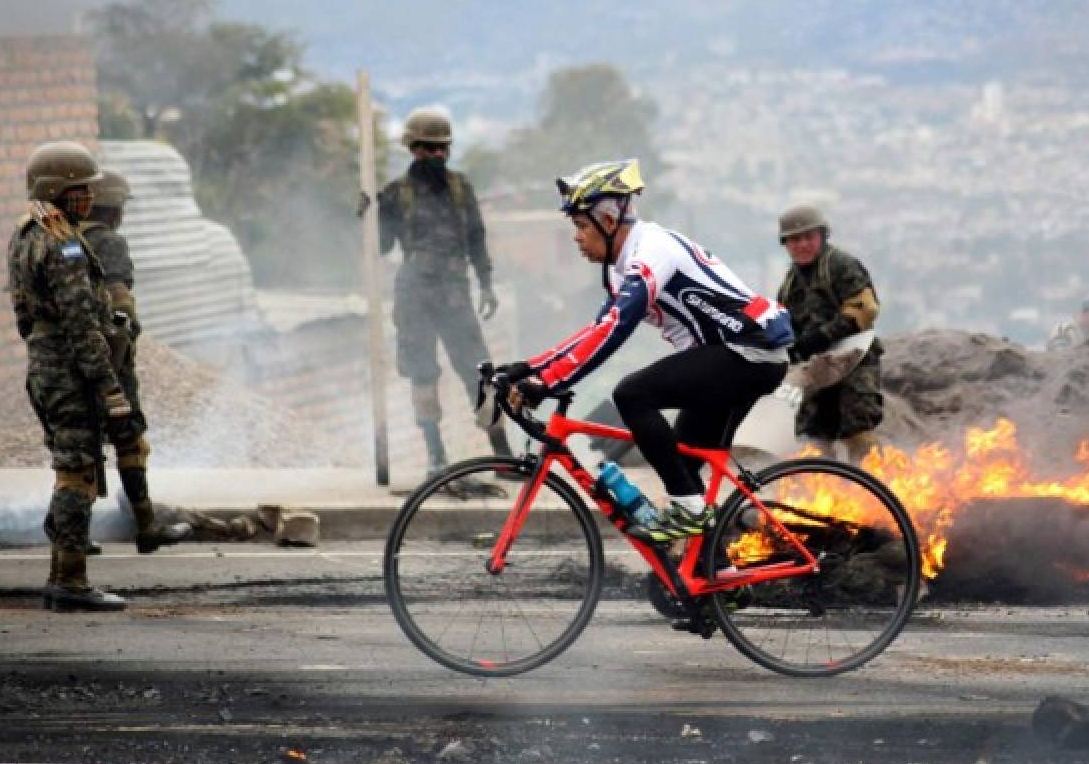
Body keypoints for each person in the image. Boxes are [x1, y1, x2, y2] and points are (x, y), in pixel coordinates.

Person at [503, 160, 793, 543]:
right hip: (728, 358)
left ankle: (690, 510)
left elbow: (616, 328)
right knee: (683, 464)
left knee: (633, 393)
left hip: (750, 353)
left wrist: (548, 382)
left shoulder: (652, 251)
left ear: (609, 222)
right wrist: (528, 368)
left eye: (581, 226)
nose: (576, 238)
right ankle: (715, 579)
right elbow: (597, 329)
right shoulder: (620, 268)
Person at [7, 141, 129, 611]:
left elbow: (24, 313)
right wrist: (107, 385)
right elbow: (82, 325)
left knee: (70, 468)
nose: (88, 200)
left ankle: (63, 574)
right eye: (79, 191)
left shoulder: (27, 233)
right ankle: (71, 583)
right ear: (55, 190)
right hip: (71, 371)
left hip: (45, 366)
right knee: (77, 473)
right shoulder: (65, 245)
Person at [375, 107, 512, 477]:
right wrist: (370, 215)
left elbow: (477, 237)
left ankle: (502, 455)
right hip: (414, 293)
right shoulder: (394, 194)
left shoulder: (460, 188)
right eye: (427, 148)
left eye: (441, 149)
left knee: (479, 373)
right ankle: (436, 457)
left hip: (455, 291)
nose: (436, 155)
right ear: (413, 149)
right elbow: (381, 246)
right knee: (422, 373)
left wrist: (486, 283)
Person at [79, 169, 192, 554]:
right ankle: (145, 524)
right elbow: (119, 304)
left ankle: (73, 533)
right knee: (129, 440)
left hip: (70, 360)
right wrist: (118, 360)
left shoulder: (61, 239)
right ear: (112, 209)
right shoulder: (108, 241)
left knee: (80, 446)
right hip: (109, 360)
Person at [775, 205, 883, 465]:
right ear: (786, 244)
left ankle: (877, 488)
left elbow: (865, 307)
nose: (802, 244)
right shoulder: (790, 283)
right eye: (794, 239)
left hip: (853, 360)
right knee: (813, 438)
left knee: (858, 429)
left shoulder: (840, 265)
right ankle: (829, 493)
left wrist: (825, 335)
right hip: (816, 369)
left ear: (822, 236)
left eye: (808, 237)